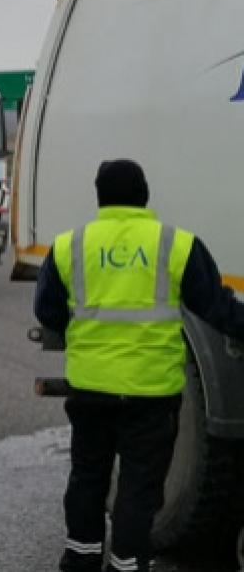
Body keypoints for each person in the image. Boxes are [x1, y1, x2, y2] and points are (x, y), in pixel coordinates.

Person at [34, 159, 244, 572]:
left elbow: (47, 312)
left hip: (91, 388)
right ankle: (127, 564)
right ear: (145, 195)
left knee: (88, 477)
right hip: (151, 392)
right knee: (139, 485)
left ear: (100, 197)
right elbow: (216, 307)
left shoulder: (70, 245)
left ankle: (80, 557)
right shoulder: (176, 244)